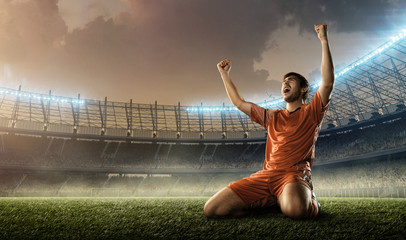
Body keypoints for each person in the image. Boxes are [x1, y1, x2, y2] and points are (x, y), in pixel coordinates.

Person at [204, 24, 334, 219]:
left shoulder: (312, 111)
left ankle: (310, 200)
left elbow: (328, 82)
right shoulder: (272, 116)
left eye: (290, 80)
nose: (285, 83)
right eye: (283, 81)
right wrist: (224, 74)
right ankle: (274, 202)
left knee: (297, 212)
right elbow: (240, 103)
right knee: (212, 209)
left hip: (294, 176)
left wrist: (323, 40)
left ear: (303, 90)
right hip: (266, 176)